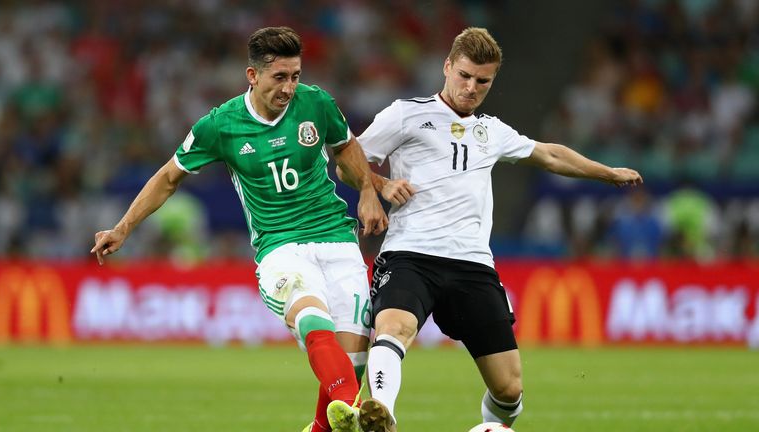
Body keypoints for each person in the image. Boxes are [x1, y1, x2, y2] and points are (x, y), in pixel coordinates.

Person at [91, 26, 402, 432]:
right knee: (311, 319)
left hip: (337, 239)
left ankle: (329, 421)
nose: (289, 87)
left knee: (353, 360)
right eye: (279, 77)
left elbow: (346, 147)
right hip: (280, 247)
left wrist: (367, 190)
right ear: (252, 76)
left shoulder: (317, 103)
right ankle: (354, 409)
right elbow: (169, 176)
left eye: (295, 76)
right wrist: (124, 226)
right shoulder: (221, 125)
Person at [342, 28, 643, 432]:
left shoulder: (493, 131)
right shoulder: (405, 114)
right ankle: (381, 413)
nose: (471, 87)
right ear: (447, 67)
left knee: (509, 388)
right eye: (464, 75)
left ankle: (492, 426)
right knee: (394, 326)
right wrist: (377, 186)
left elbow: (550, 155)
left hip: (471, 264)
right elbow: (349, 158)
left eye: (482, 81)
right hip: (410, 254)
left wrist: (606, 173)